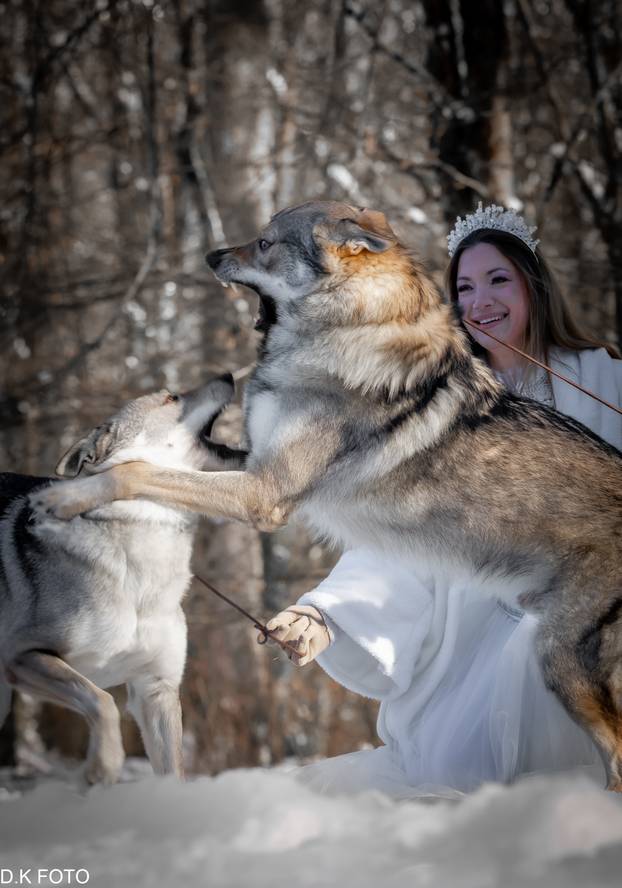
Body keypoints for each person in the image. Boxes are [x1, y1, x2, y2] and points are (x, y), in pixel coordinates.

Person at [261, 203, 622, 800]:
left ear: (533, 286)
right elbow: (396, 535)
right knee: (466, 780)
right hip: (472, 634)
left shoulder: (605, 380)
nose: (482, 301)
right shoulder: (441, 405)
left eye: (499, 280)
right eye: (465, 286)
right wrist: (327, 615)